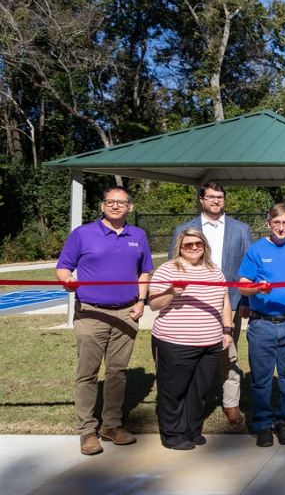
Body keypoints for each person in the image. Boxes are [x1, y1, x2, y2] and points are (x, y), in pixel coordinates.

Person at [56, 186, 154, 456]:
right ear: (102, 206)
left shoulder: (139, 235)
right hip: (91, 312)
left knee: (117, 372)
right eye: (110, 202)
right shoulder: (82, 233)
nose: (115, 206)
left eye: (120, 202)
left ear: (130, 207)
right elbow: (63, 266)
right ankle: (87, 430)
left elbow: (144, 271)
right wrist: (68, 281)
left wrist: (140, 301)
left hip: (126, 313)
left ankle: (111, 425)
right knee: (87, 373)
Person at [169, 181, 252, 426]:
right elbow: (174, 264)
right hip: (193, 304)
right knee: (194, 355)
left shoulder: (241, 229)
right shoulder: (185, 229)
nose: (216, 200)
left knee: (230, 355)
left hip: (232, 302)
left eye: (220, 197)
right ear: (202, 200)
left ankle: (231, 404)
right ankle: (193, 404)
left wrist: (246, 299)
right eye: (211, 197)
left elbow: (247, 269)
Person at [150, 229, 233, 450]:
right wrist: (171, 291)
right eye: (188, 245)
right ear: (180, 247)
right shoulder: (168, 269)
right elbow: (154, 304)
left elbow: (224, 301)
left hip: (211, 342)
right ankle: (173, 434)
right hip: (175, 342)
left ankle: (192, 429)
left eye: (198, 243)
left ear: (204, 245)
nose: (194, 247)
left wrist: (227, 330)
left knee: (199, 390)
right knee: (174, 390)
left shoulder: (214, 270)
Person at [238, 203, 285, 448]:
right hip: (262, 324)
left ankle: (283, 421)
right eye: (276, 222)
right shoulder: (256, 250)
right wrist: (257, 288)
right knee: (261, 379)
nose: (281, 227)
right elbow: (242, 286)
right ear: (268, 224)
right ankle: (263, 423)